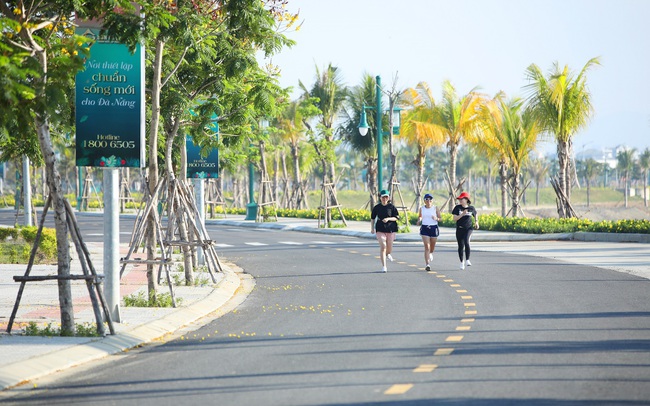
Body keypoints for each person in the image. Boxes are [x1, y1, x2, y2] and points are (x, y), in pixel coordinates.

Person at [370, 189, 399, 273]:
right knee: (383, 246)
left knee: (389, 247)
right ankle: (384, 266)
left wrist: (388, 219)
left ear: (388, 197)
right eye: (383, 197)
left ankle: (388, 254)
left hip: (390, 229)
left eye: (386, 197)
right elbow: (372, 218)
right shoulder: (377, 207)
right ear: (380, 198)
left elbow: (396, 217)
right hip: (380, 228)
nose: (385, 199)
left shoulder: (391, 207)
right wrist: (372, 228)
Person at [452, 191, 479, 270]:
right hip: (459, 229)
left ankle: (467, 259)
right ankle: (461, 262)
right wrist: (462, 214)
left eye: (462, 199)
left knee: (467, 242)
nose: (460, 200)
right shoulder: (457, 208)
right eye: (459, 199)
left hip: (468, 228)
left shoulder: (471, 208)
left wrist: (476, 221)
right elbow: (454, 219)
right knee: (460, 246)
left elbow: (475, 214)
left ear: (466, 199)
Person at [417, 193, 441, 271]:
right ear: (424, 200)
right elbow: (420, 216)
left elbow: (440, 218)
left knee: (432, 246)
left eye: (430, 199)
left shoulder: (435, 208)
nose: (428, 201)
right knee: (427, 246)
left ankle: (431, 253)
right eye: (427, 199)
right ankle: (427, 264)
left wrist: (436, 218)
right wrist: (419, 219)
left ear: (432, 200)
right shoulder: (422, 208)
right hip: (425, 227)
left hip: (434, 227)